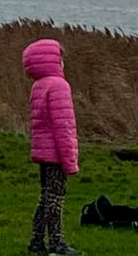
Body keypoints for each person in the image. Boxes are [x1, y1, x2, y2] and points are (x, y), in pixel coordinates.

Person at [23, 39, 81, 256]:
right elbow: (63, 126)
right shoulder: (59, 86)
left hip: (43, 151)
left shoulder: (38, 86)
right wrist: (70, 160)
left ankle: (37, 240)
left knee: (45, 197)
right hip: (56, 153)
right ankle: (57, 242)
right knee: (56, 198)